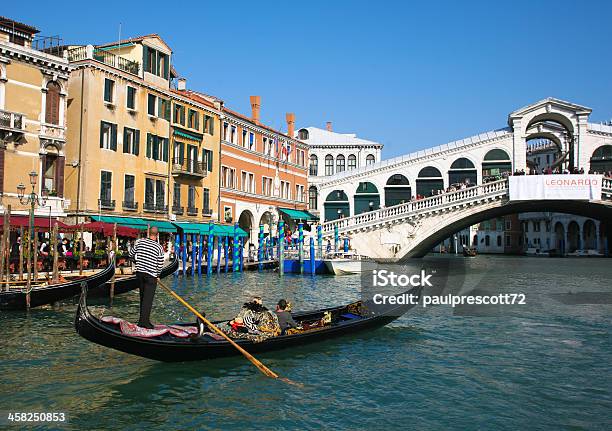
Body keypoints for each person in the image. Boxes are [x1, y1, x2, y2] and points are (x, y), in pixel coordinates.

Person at [129, 226, 165, 329]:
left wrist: (138, 263)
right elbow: (160, 264)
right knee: (148, 300)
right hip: (151, 276)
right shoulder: (158, 247)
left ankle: (142, 321)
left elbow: (131, 255)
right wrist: (158, 275)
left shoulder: (139, 242)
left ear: (148, 233)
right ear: (157, 235)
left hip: (140, 273)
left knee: (142, 297)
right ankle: (144, 323)